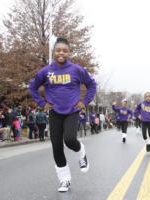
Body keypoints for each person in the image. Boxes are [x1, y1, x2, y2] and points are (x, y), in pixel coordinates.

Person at [29, 37, 96, 192]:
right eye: (58, 50)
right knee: (57, 146)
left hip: (72, 111)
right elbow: (32, 87)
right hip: (54, 112)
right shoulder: (45, 71)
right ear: (54, 52)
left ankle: (81, 152)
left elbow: (92, 85)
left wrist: (84, 102)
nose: (61, 53)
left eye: (65, 51)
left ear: (69, 52)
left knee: (70, 139)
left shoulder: (77, 70)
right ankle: (64, 180)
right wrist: (42, 103)